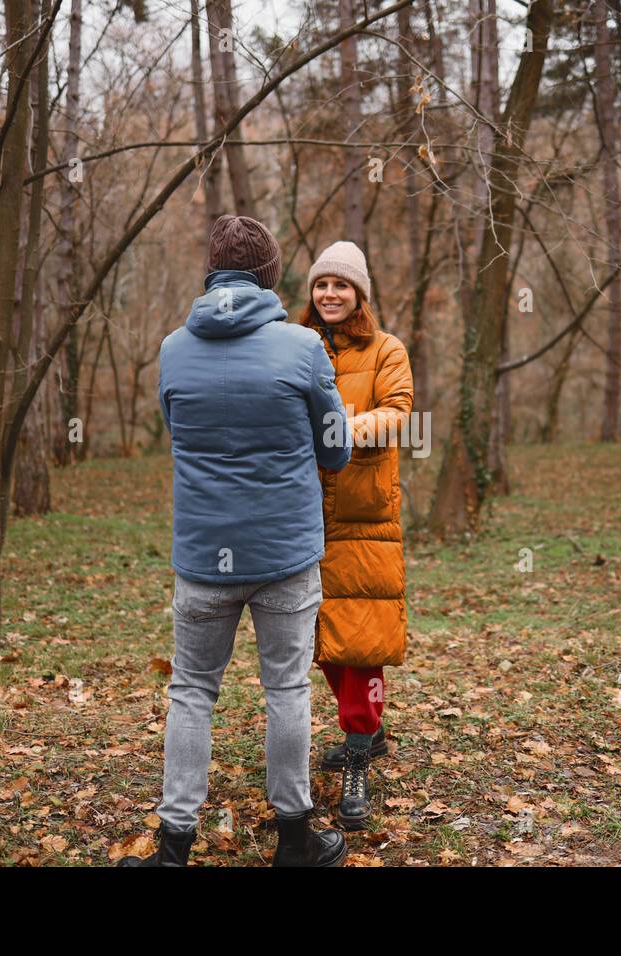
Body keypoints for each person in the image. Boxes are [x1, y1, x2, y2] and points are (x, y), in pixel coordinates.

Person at [119, 215, 352, 867]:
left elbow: (177, 429)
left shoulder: (172, 349)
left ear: (211, 276)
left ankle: (172, 847)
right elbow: (335, 453)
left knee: (192, 690)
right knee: (286, 689)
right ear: (271, 278)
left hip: (202, 557)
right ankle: (295, 839)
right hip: (284, 556)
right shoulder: (303, 348)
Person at [300, 241, 413, 829]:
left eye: (341, 286)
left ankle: (359, 757)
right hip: (304, 516)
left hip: (366, 519)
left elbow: (399, 411)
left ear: (359, 293)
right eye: (322, 285)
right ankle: (366, 729)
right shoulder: (300, 345)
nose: (330, 295)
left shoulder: (387, 349)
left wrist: (343, 428)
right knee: (323, 638)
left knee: (361, 645)